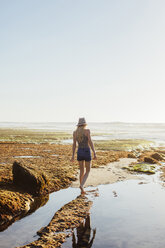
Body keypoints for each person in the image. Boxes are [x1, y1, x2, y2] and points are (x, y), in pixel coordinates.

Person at [71, 117, 97, 194]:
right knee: (88, 170)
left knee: (81, 171)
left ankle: (82, 189)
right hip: (86, 150)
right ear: (84, 124)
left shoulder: (75, 132)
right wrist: (94, 153)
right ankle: (82, 185)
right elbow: (90, 142)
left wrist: (72, 155)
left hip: (79, 151)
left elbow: (74, 145)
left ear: (78, 125)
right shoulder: (87, 131)